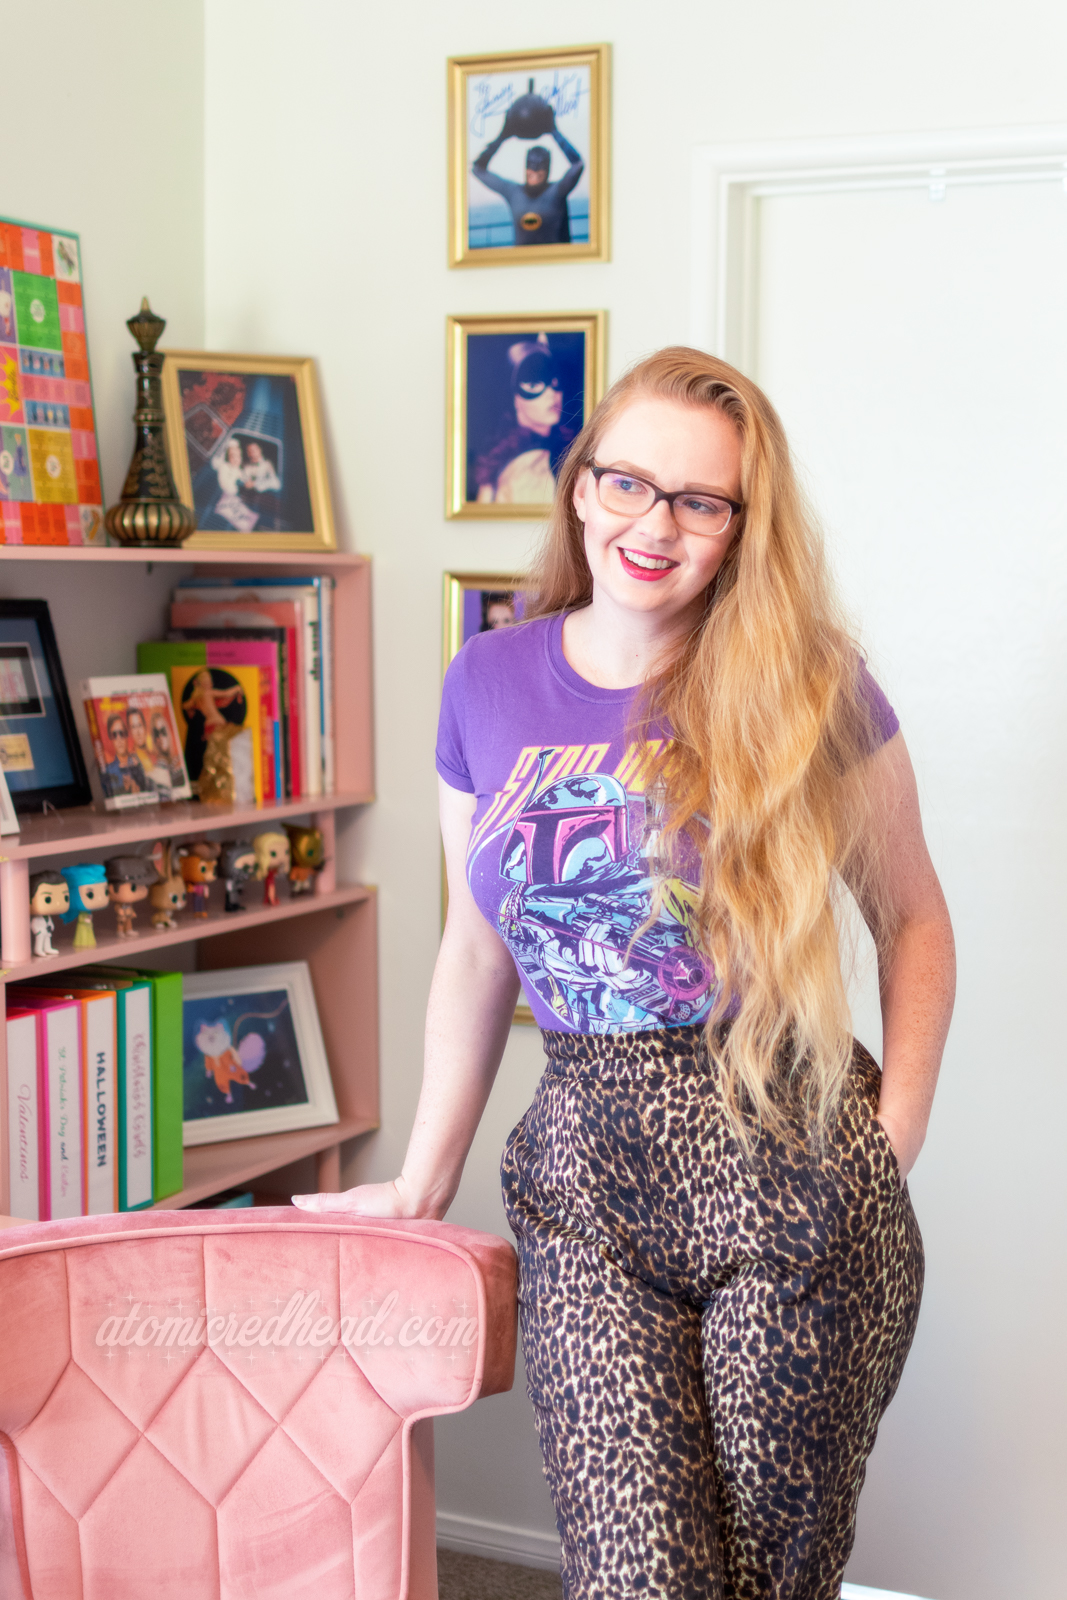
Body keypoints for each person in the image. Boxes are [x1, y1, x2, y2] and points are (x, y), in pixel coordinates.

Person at [294, 349, 956, 1599]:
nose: (656, 524)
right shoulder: (485, 680)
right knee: (638, 1576)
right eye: (629, 482)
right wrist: (422, 1181)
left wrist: (890, 1138)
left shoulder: (808, 682)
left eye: (701, 501)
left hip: (786, 1152)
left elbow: (914, 919)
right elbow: (477, 947)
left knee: (767, 1576)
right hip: (587, 1179)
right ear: (578, 485)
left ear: (739, 529)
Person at [473, 336, 576, 505]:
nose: (551, 393)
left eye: (554, 382)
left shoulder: (557, 451)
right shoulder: (531, 465)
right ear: (513, 399)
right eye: (534, 384)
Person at [472, 97, 584, 248]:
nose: (536, 170)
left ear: (548, 170)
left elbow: (578, 165)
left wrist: (554, 132)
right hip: (522, 267)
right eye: (532, 166)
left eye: (540, 167)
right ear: (525, 168)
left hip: (555, 265)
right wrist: (502, 136)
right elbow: (477, 169)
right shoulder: (513, 191)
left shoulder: (557, 191)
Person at [100, 714, 151, 799]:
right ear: (111, 739)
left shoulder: (140, 763)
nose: (119, 739)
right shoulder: (107, 771)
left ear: (127, 735)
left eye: (121, 733)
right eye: (114, 735)